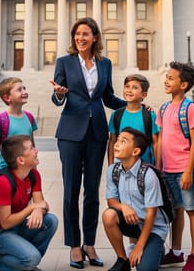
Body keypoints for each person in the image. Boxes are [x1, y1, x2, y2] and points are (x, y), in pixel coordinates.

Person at [50, 17, 127, 268]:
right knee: (71, 190)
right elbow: (57, 96)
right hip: (70, 133)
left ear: (95, 37)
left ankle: (90, 244)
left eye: (85, 34)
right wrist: (58, 94)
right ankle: (74, 245)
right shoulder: (65, 62)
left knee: (92, 191)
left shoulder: (105, 64)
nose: (80, 38)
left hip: (97, 133)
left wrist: (133, 106)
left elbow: (108, 97)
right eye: (77, 34)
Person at [0, 135, 58, 271]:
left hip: (17, 226)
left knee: (51, 221)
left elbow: (42, 204)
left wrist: (38, 209)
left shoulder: (33, 175)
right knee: (33, 257)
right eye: (31, 148)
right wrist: (32, 208)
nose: (36, 151)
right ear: (21, 160)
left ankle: (26, 264)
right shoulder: (3, 182)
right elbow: (5, 222)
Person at [155, 61, 194, 271]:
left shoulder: (190, 108)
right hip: (167, 170)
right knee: (176, 211)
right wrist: (157, 169)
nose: (166, 81)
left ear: (183, 85)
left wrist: (188, 171)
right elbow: (160, 141)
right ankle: (176, 251)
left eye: (171, 78)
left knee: (192, 210)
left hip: (185, 170)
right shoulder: (164, 108)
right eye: (167, 77)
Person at [102, 127, 169, 271]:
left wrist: (139, 247)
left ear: (135, 151)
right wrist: (123, 207)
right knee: (108, 215)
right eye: (118, 140)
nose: (116, 144)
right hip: (132, 223)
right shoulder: (113, 170)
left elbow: (151, 214)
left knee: (144, 269)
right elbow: (111, 201)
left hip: (152, 228)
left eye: (123, 141)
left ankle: (155, 248)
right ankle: (122, 260)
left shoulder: (148, 175)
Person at [108, 74, 160, 166]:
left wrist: (158, 167)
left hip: (145, 166)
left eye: (135, 88)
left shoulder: (149, 115)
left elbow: (156, 143)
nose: (129, 90)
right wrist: (110, 165)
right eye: (127, 86)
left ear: (144, 94)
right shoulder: (116, 115)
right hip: (120, 168)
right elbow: (112, 141)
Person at [0, 77, 39, 170]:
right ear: (7, 97)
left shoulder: (29, 117)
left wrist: (34, 169)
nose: (24, 92)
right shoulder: (0, 120)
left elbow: (32, 144)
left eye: (24, 88)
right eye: (19, 90)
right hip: (6, 169)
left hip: (27, 169)